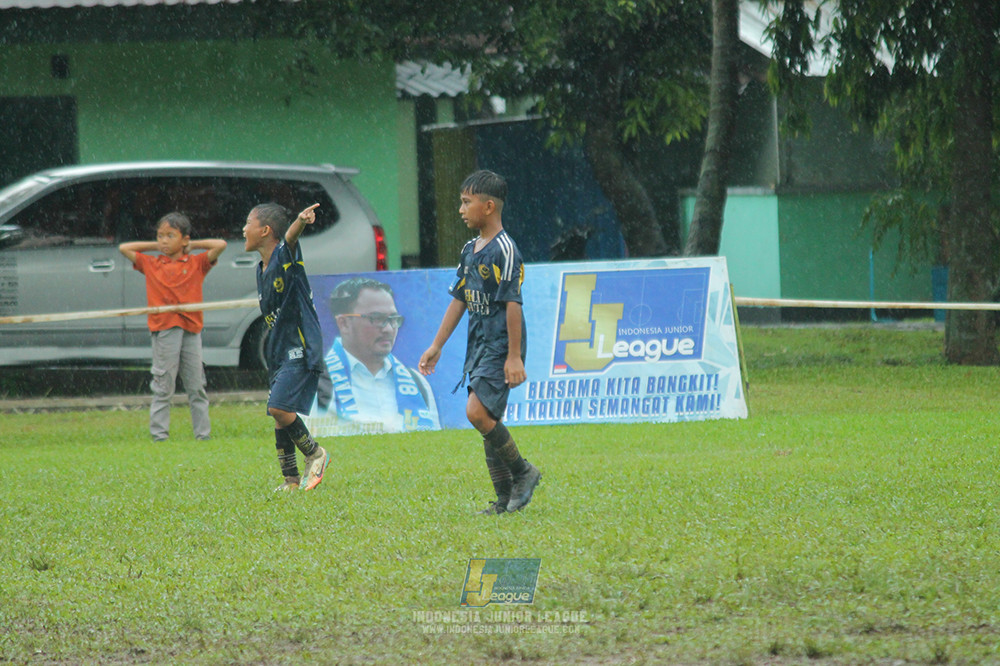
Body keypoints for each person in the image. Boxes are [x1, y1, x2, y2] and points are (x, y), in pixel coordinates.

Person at [419, 170, 541, 514]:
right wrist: (437, 345)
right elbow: (459, 299)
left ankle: (524, 472)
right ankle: (504, 500)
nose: (460, 209)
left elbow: (513, 303)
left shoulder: (505, 249)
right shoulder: (470, 249)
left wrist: (514, 357)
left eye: (466, 202)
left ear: (488, 207)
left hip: (501, 345)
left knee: (476, 413)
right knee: (488, 416)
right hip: (479, 343)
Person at [242, 202, 329, 492]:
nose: (243, 230)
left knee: (279, 407)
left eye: (248, 224)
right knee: (279, 416)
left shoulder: (284, 256)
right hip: (279, 352)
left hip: (300, 347)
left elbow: (291, 237)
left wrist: (300, 220)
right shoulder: (261, 269)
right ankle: (291, 480)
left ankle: (315, 453)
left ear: (265, 230)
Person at [119, 212, 227, 442]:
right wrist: (156, 245)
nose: (164, 241)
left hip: (191, 329)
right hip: (165, 328)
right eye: (160, 236)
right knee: (163, 385)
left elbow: (221, 244)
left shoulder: (196, 263)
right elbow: (125, 248)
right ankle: (160, 436)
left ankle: (203, 436)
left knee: (196, 386)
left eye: (170, 236)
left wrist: (191, 245)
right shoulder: (152, 262)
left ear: (184, 239)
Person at [314, 277, 440, 434]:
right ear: (344, 323)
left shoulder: (417, 382)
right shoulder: (316, 382)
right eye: (377, 318)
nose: (388, 329)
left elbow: (434, 444)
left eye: (393, 319)